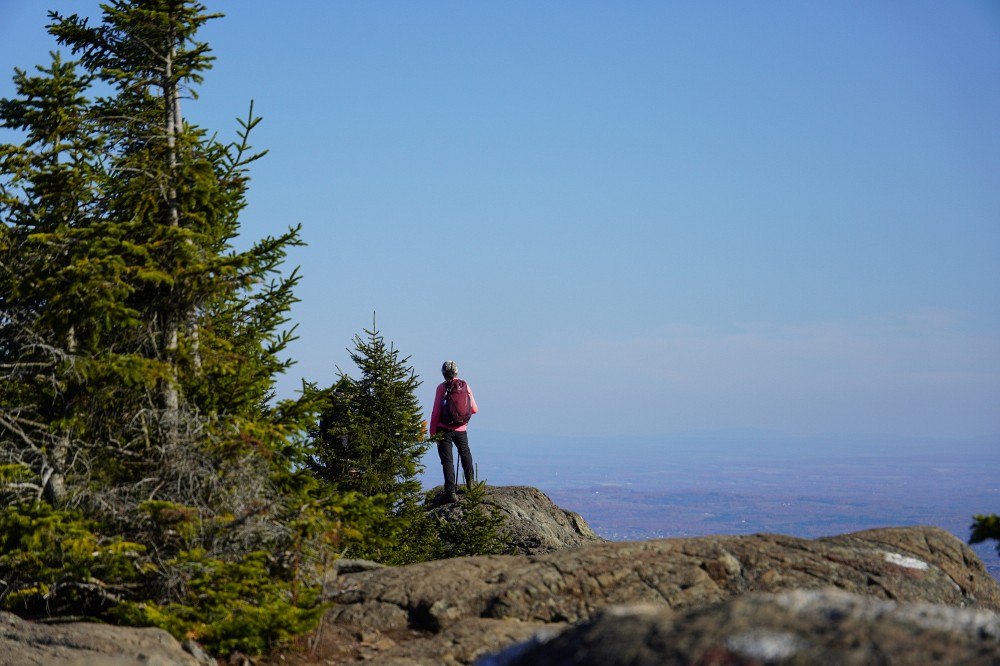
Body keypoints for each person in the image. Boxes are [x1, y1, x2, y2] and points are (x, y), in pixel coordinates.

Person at [429, 360, 478, 503]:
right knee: (465, 454)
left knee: (447, 461)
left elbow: (436, 411)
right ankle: (471, 484)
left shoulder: (441, 388)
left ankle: (450, 492)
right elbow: (474, 409)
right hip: (461, 429)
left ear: (443, 374)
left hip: (444, 429)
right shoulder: (465, 385)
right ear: (456, 372)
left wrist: (433, 432)